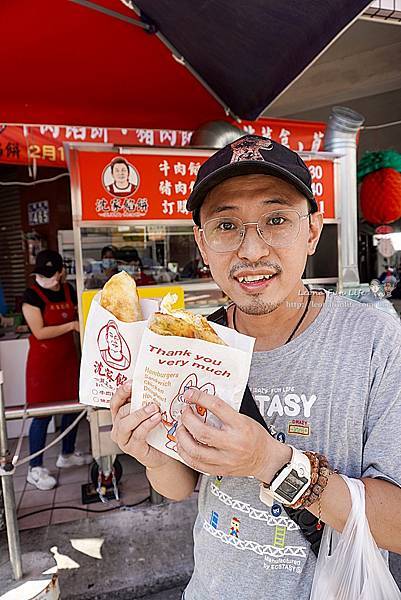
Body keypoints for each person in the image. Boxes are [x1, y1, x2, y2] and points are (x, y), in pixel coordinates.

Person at [110, 135, 401, 599]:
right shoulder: (187, 341)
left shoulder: (375, 341)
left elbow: (397, 526)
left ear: (311, 231)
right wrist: (151, 453)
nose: (251, 251)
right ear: (202, 244)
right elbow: (180, 485)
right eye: (226, 226)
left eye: (276, 219)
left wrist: (270, 462)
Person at [22, 250, 91, 491]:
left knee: (72, 407)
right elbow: (39, 331)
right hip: (43, 366)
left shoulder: (69, 290)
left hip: (68, 360)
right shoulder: (31, 296)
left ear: (62, 271)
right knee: (42, 416)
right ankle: (35, 468)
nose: (48, 278)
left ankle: (67, 454)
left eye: (52, 274)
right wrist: (72, 325)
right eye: (43, 274)